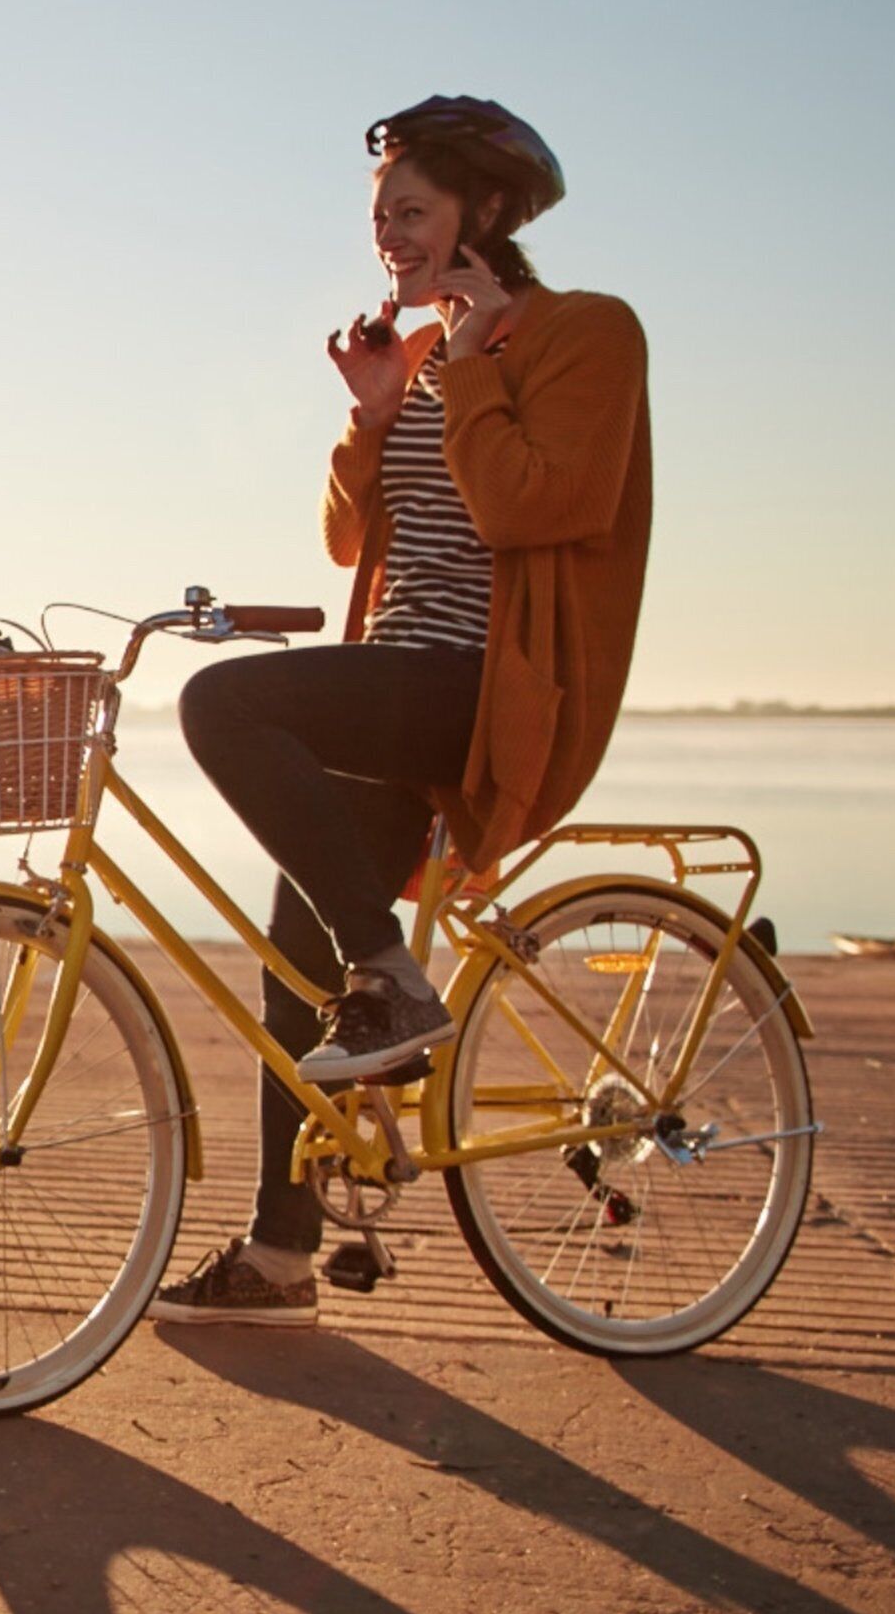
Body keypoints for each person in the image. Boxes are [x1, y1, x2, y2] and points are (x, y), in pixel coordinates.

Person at [150, 96, 655, 1327]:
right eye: (380, 218)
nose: (390, 236)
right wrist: (376, 411)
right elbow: (347, 545)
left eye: (412, 212)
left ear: (483, 214)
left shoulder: (585, 334)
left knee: (221, 704)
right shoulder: (429, 360)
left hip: (488, 690)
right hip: (397, 674)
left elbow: (537, 510)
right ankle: (280, 1258)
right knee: (289, 968)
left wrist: (474, 369)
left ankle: (392, 977)